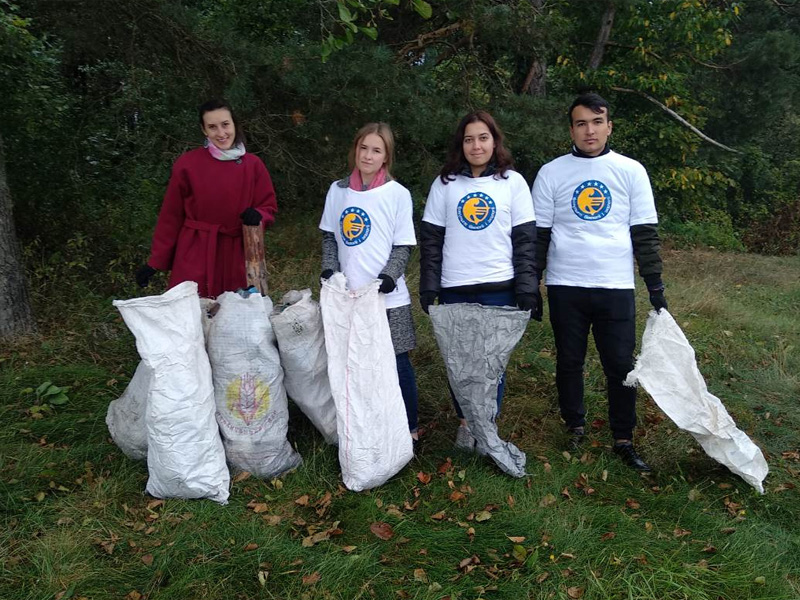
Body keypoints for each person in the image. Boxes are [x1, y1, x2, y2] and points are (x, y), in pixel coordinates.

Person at [531, 92, 667, 472]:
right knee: (569, 361)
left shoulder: (631, 171)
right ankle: (574, 426)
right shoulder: (551, 173)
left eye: (596, 122)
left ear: (609, 126)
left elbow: (644, 234)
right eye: (581, 123)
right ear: (571, 129)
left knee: (621, 365)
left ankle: (623, 438)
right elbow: (538, 236)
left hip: (615, 286)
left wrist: (655, 286)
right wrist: (531, 284)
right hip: (565, 285)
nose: (589, 131)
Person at [419, 111, 538, 451]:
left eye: (483, 137)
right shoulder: (445, 184)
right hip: (456, 287)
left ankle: (485, 427)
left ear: (494, 141)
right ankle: (465, 425)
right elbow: (431, 240)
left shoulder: (512, 182)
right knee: (460, 365)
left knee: (491, 365)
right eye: (469, 139)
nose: (476, 145)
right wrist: (429, 286)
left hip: (500, 287)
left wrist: (527, 286)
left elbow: (525, 241)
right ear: (461, 144)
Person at [318, 123, 421, 442]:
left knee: (396, 361)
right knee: (357, 365)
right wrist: (329, 269)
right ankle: (369, 429)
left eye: (376, 150)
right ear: (355, 149)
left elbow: (403, 244)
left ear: (386, 156)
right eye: (364, 148)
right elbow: (329, 237)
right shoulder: (338, 191)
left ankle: (410, 430)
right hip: (349, 297)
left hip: (387, 297)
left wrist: (389, 276)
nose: (368, 155)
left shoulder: (397, 194)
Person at [135, 99, 277, 297]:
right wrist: (155, 262)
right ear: (204, 130)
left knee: (235, 316)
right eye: (212, 127)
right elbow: (171, 216)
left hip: (235, 255)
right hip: (195, 251)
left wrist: (258, 215)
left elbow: (268, 207)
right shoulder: (188, 164)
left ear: (234, 124)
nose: (221, 133)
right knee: (189, 316)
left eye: (225, 124)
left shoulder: (253, 165)